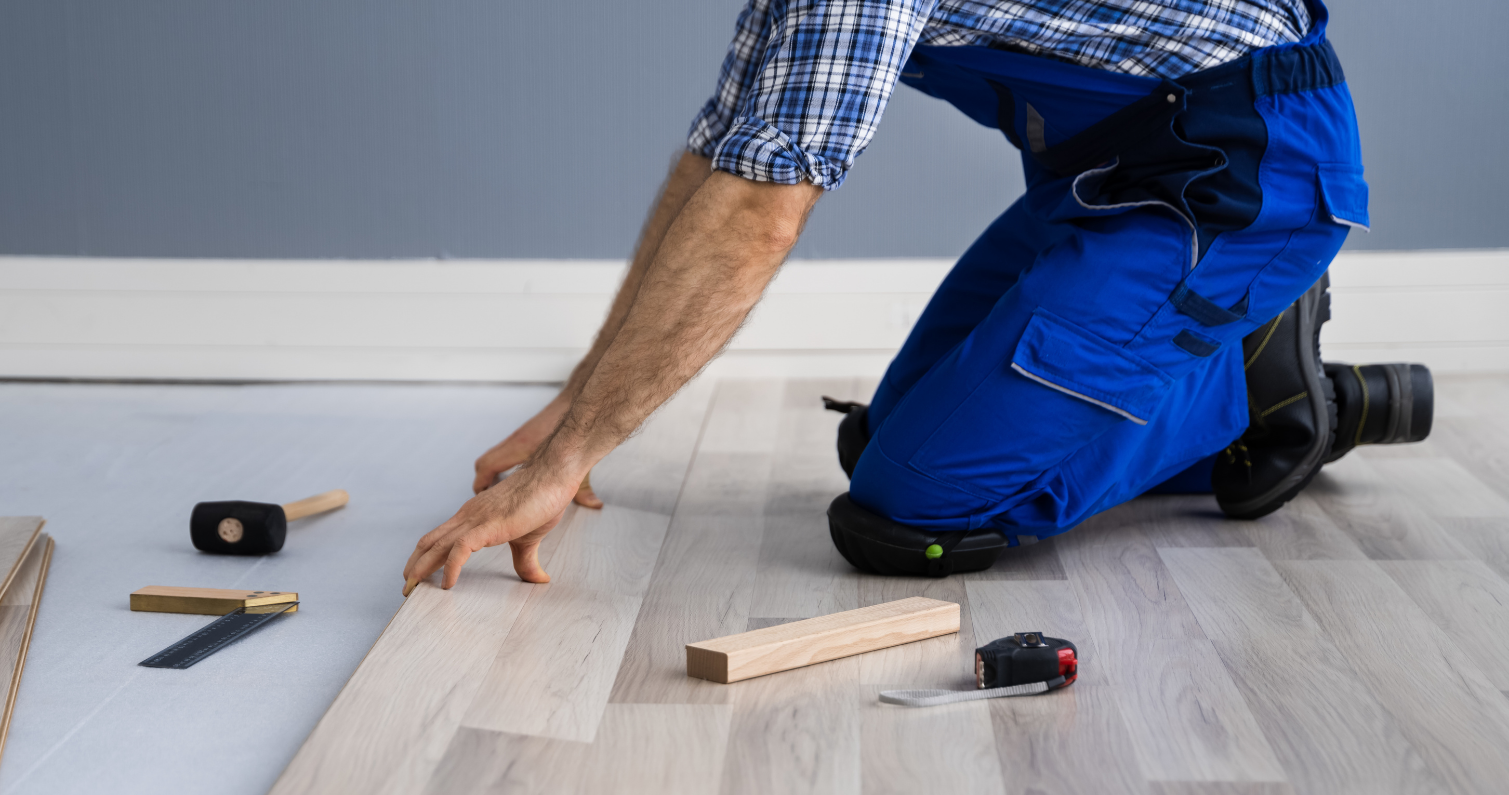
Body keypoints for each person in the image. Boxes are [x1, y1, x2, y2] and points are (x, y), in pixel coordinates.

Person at [403, 0, 1431, 594]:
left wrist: (567, 461)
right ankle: (1230, 354)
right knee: (880, 448)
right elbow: (719, 160)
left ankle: (1257, 387)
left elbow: (759, 210)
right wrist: (574, 413)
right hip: (1112, 180)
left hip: (1239, 185)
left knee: (913, 514)